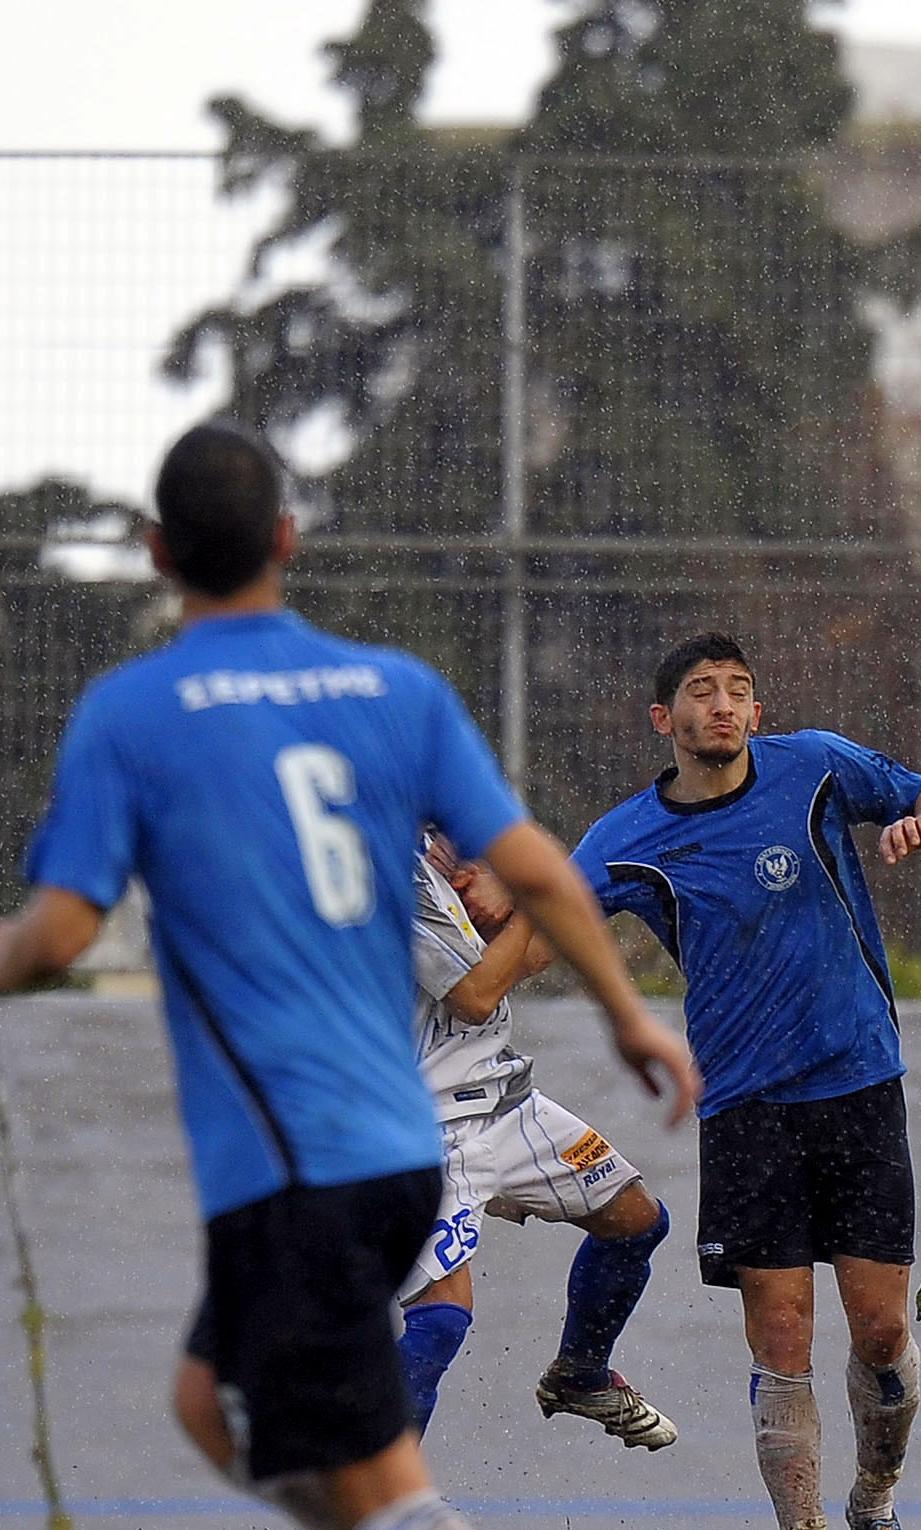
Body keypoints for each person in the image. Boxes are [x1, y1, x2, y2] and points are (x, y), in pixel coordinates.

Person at [0, 422, 700, 1530]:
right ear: (286, 539)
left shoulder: (135, 712)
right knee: (238, 1408)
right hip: (401, 1147)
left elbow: (58, 936)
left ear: (154, 552)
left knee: (279, 1413)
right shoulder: (394, 694)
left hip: (299, 1147)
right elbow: (550, 872)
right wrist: (631, 1021)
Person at [532, 631, 921, 1530]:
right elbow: (550, 919)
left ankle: (874, 1494)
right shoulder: (630, 834)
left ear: (756, 713)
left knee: (882, 1332)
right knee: (781, 1337)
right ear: (665, 719)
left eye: (737, 691)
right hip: (744, 1107)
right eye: (701, 691)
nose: (721, 705)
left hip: (857, 1085)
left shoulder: (813, 767)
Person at [395, 835, 677, 1451]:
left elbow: (525, 956)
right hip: (423, 1127)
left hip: (503, 1102)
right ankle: (371, 1498)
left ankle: (580, 1374)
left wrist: (544, 894)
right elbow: (474, 996)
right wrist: (530, 891)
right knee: (441, 1320)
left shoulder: (443, 845)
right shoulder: (386, 864)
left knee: (636, 1220)